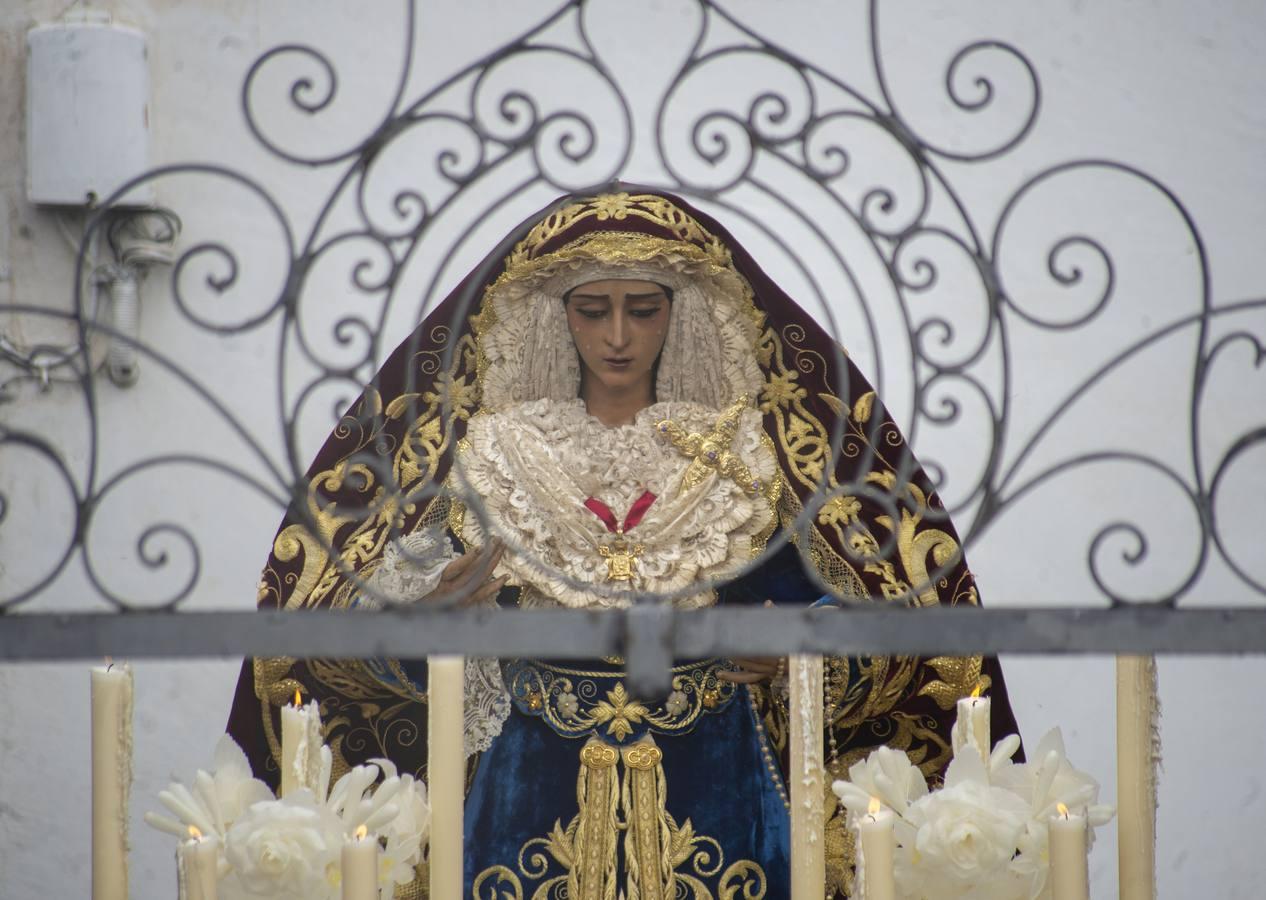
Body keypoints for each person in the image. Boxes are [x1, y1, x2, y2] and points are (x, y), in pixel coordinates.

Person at [227, 189, 1020, 898]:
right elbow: (361, 647)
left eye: (643, 309)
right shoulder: (496, 457)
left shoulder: (741, 461)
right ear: (554, 316)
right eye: (591, 309)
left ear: (680, 315)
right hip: (525, 805)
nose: (617, 336)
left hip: (723, 798)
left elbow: (870, 616)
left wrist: (807, 650)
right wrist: (424, 620)